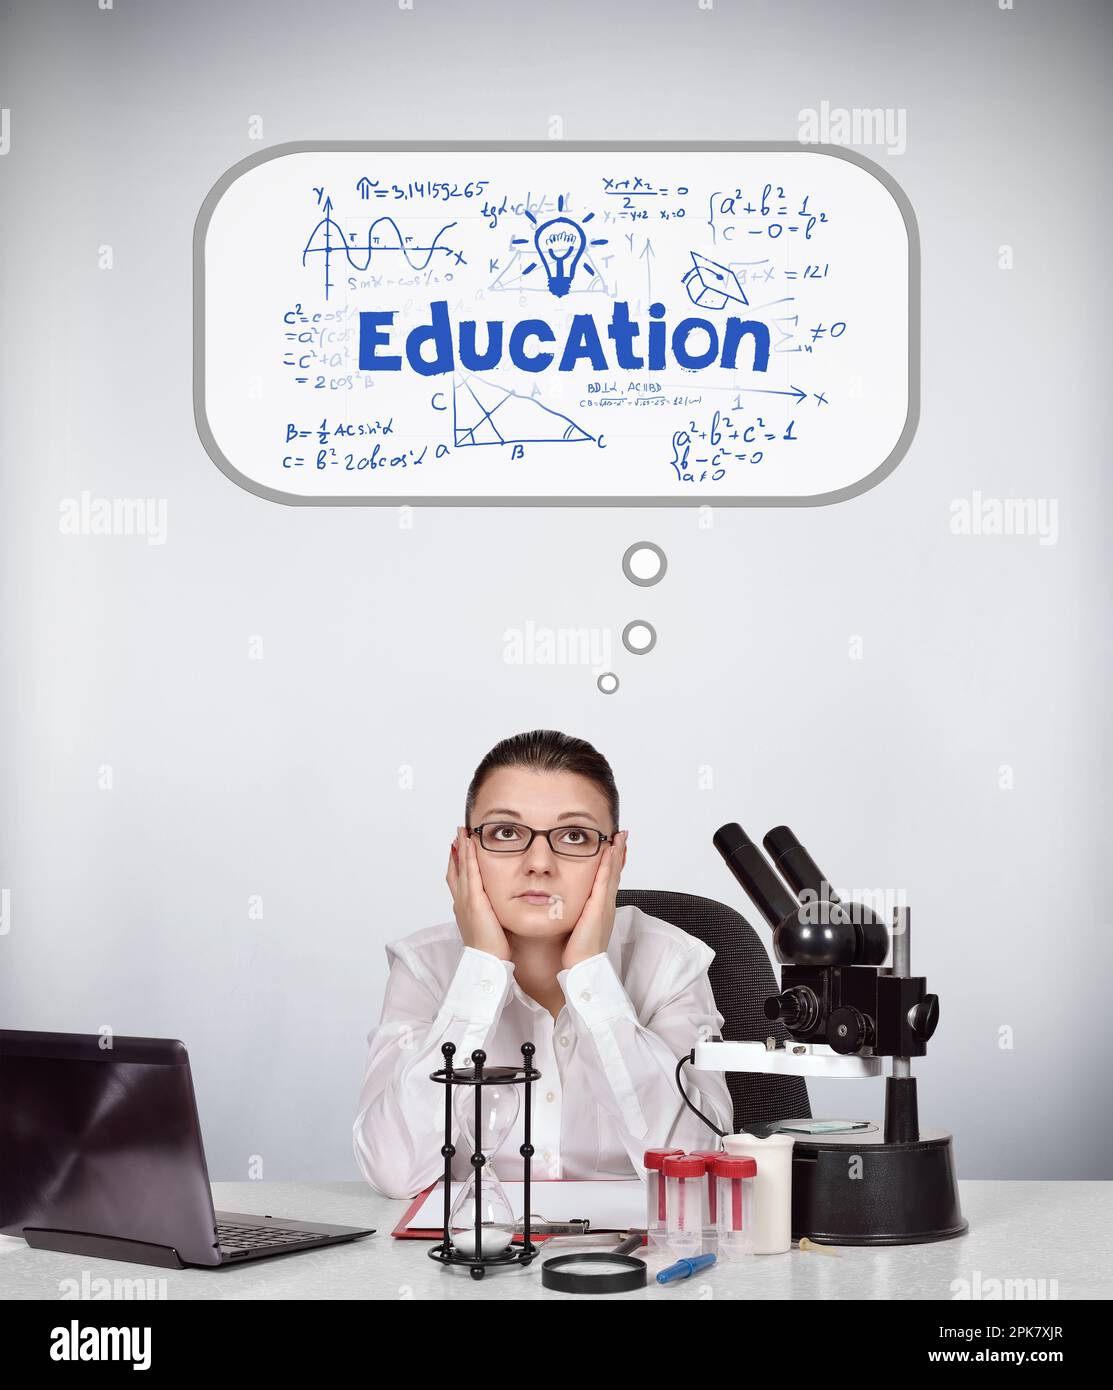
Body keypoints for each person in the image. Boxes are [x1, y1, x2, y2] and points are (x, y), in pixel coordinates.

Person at [352, 729, 734, 1199]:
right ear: (463, 853)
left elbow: (696, 1164)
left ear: (615, 858)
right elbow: (394, 1171)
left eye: (573, 836)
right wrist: (483, 970)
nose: (539, 863)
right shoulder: (425, 966)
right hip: (474, 1258)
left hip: (632, 1264)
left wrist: (590, 974)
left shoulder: (670, 963)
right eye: (506, 833)